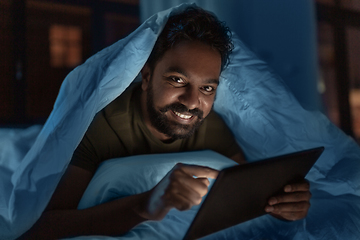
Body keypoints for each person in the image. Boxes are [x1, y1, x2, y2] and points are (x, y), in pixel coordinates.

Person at [19, 6, 311, 239]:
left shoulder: (211, 126)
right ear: (146, 77)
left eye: (207, 88)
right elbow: (43, 228)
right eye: (177, 80)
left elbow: (245, 190)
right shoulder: (101, 127)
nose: (192, 101)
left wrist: (283, 204)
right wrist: (145, 205)